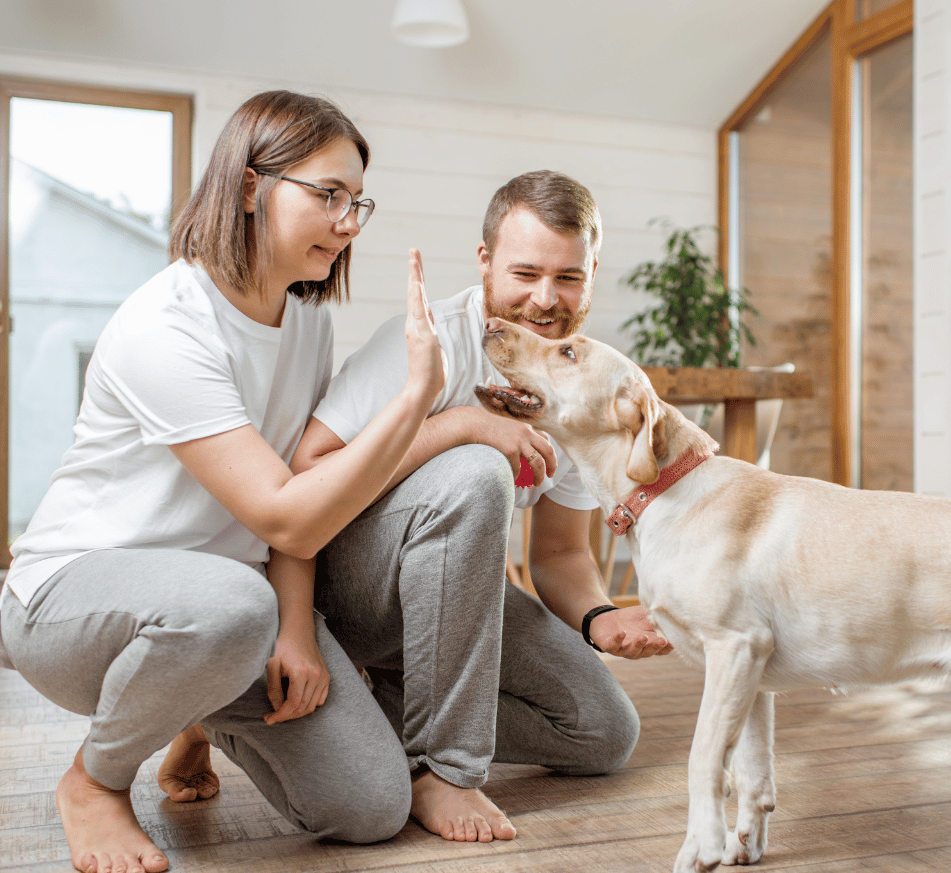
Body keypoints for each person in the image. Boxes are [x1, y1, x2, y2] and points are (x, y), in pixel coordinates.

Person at [0, 90, 447, 873]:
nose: (349, 222)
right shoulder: (165, 325)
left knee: (372, 806)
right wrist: (415, 398)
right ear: (249, 187)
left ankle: (190, 716)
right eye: (328, 195)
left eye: (357, 202)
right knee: (235, 604)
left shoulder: (307, 321)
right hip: (74, 601)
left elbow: (298, 481)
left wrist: (297, 632)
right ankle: (95, 781)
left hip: (218, 618)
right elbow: (286, 517)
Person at [279, 169, 673, 844]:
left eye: (568, 277)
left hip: (450, 605)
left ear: (592, 273)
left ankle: (378, 708)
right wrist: (462, 424)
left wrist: (599, 616)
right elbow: (306, 473)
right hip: (347, 590)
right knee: (475, 470)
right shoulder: (428, 340)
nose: (546, 299)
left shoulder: (580, 389)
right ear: (485, 261)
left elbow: (559, 553)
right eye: (525, 272)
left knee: (602, 731)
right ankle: (444, 769)